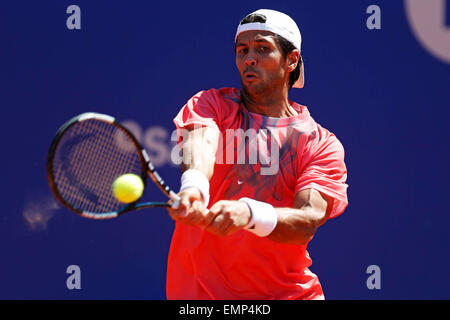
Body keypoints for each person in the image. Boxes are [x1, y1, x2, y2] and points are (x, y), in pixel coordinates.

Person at [166, 9, 348, 300]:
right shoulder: (211, 104)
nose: (249, 58)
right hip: (203, 297)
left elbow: (306, 219)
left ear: (292, 60)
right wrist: (194, 187)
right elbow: (200, 143)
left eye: (263, 49)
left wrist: (249, 214)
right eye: (243, 50)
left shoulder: (320, 144)